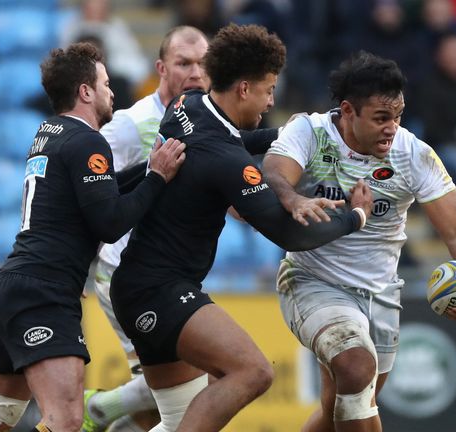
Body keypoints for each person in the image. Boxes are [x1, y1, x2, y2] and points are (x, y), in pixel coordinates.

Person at [109, 23, 373, 432]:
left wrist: (289, 134)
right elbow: (292, 235)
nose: (271, 101)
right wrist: (354, 217)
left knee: (179, 421)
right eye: (269, 90)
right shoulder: (229, 163)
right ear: (245, 89)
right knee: (253, 372)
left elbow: (234, 139)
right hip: (162, 292)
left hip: (136, 286)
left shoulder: (187, 106)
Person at [0, 42, 186, 432]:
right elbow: (109, 222)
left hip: (18, 284)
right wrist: (155, 178)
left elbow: (96, 196)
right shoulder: (88, 141)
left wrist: (147, 170)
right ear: (85, 91)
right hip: (44, 293)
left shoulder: (49, 133)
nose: (112, 93)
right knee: (67, 421)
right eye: (104, 84)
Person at [262, 51, 456, 432]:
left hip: (381, 294)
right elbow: (275, 172)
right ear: (347, 111)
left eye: (398, 117)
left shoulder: (414, 153)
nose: (392, 128)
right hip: (312, 281)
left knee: (338, 411)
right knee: (356, 367)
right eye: (380, 118)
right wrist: (294, 198)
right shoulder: (308, 132)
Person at [84, 25, 281, 432]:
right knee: (223, 376)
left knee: (181, 402)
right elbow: (91, 188)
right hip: (125, 269)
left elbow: (219, 165)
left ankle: (105, 414)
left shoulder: (207, 118)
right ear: (160, 68)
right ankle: (100, 409)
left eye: (202, 63)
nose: (195, 72)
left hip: (166, 272)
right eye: (183, 63)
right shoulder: (129, 123)